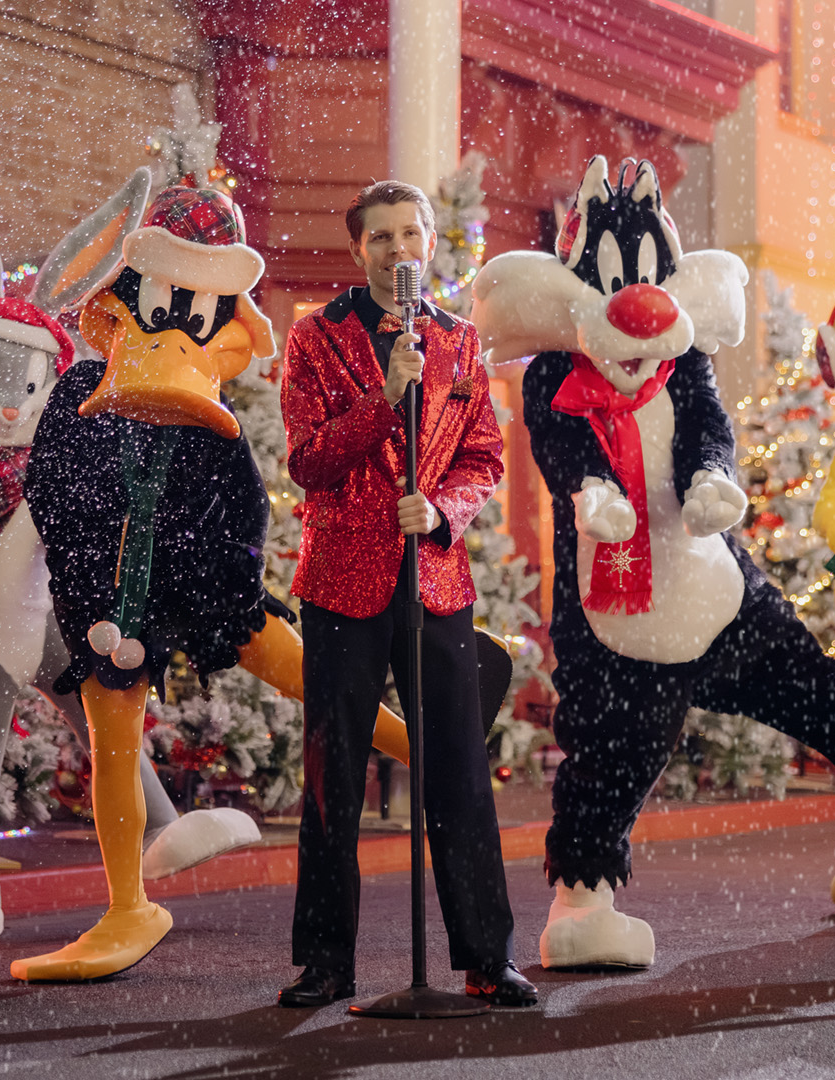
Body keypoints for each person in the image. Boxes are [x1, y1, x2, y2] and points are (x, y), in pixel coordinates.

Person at [276, 181, 534, 1007]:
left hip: (435, 581)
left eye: (409, 234)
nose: (398, 251)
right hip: (341, 583)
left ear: (429, 243)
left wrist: (445, 509)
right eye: (379, 237)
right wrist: (384, 399)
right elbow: (309, 462)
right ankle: (326, 963)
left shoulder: (460, 344)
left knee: (458, 769)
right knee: (334, 780)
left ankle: (487, 958)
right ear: (358, 251)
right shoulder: (315, 338)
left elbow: (484, 459)